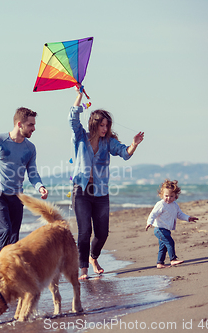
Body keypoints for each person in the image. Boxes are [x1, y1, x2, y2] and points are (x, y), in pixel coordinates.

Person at [70, 86, 144, 280]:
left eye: (107, 126)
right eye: (102, 125)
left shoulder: (108, 142)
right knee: (85, 230)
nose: (105, 129)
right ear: (94, 125)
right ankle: (83, 269)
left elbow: (124, 154)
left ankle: (94, 257)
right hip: (82, 190)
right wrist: (79, 96)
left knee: (102, 233)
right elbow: (72, 119)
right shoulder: (81, 137)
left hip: (101, 192)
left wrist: (134, 144)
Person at [0, 107, 48, 255]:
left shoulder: (30, 148)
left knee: (13, 237)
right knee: (4, 230)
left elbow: (32, 172)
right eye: (31, 124)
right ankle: (0, 270)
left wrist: (40, 187)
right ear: (20, 124)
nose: (34, 128)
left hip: (17, 195)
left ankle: (11, 271)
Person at [146, 179, 199, 268]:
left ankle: (160, 263)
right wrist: (149, 222)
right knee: (170, 242)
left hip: (166, 229)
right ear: (161, 194)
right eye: (166, 196)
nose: (169, 198)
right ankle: (173, 259)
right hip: (159, 229)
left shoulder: (175, 205)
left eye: (171, 196)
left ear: (175, 196)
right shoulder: (161, 204)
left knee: (163, 247)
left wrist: (188, 218)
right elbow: (153, 214)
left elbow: (180, 214)